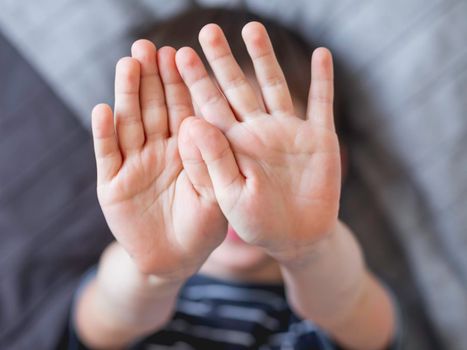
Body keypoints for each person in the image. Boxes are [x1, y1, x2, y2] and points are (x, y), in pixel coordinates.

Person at [69, 7, 399, 350]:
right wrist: (155, 273)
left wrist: (309, 251)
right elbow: (106, 320)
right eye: (192, 157)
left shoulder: (339, 290)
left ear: (335, 167)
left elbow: (353, 310)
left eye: (258, 157)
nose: (227, 180)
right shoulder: (135, 284)